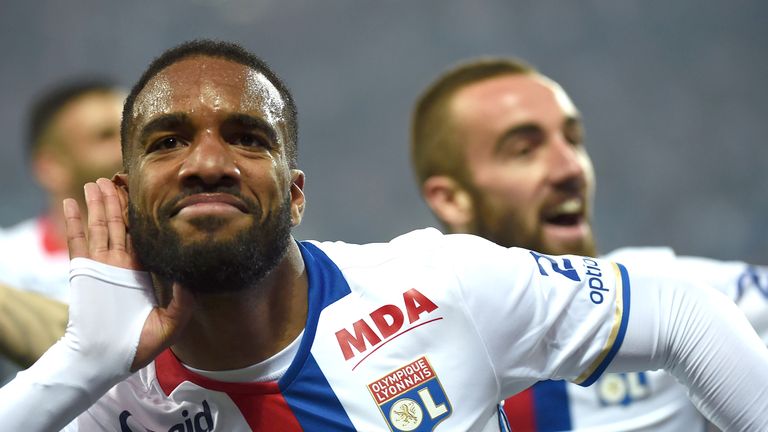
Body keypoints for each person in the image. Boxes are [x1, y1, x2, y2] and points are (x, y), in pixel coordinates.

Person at [2, 40, 767, 432]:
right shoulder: (110, 399)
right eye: (167, 140)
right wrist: (80, 362)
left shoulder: (437, 287)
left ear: (295, 194)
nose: (207, 162)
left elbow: (679, 313)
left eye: (246, 137)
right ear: (127, 197)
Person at [410, 57, 768, 431]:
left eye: (573, 140)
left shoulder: (662, 296)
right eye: (524, 150)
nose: (571, 168)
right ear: (451, 199)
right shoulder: (391, 356)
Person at [0, 79, 124, 382]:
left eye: (135, 131)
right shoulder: (6, 260)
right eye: (106, 135)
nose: (130, 146)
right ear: (51, 166)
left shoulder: (174, 257)